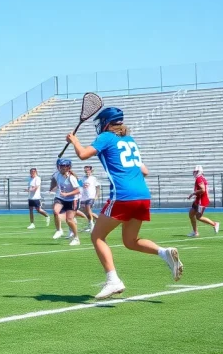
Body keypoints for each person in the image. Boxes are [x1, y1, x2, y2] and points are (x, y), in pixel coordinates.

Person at [67, 106, 184, 300]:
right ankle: (164, 253)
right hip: (143, 195)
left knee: (97, 236)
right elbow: (144, 170)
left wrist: (74, 140)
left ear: (106, 122)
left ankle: (113, 280)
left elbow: (83, 155)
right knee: (130, 241)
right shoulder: (130, 140)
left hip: (123, 195)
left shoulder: (106, 137)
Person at [50, 159, 81, 246]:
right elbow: (53, 180)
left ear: (68, 167)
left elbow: (78, 190)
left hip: (72, 199)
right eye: (61, 166)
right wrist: (51, 188)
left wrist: (67, 194)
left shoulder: (71, 178)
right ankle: (59, 230)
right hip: (61, 197)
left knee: (69, 220)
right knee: (55, 211)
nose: (63, 168)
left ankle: (76, 238)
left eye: (65, 167)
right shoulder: (57, 174)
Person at [186, 165, 219, 237]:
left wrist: (193, 193)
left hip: (201, 201)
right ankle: (195, 232)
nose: (194, 173)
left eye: (196, 171)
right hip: (199, 199)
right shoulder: (201, 178)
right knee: (191, 214)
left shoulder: (199, 179)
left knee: (198, 217)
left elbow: (203, 189)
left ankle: (214, 224)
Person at [79, 165, 101, 232]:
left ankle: (91, 225)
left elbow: (98, 187)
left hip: (91, 197)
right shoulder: (82, 179)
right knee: (87, 212)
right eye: (86, 171)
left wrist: (97, 195)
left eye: (88, 171)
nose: (87, 172)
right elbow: (78, 187)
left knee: (88, 210)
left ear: (91, 171)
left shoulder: (93, 178)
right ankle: (99, 221)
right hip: (83, 197)